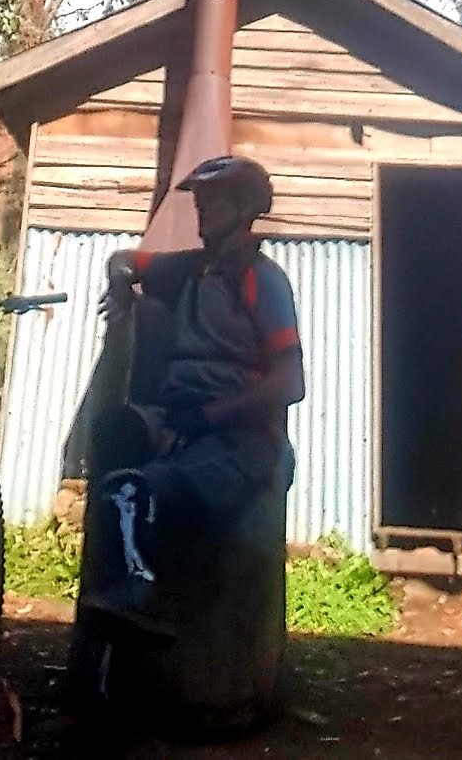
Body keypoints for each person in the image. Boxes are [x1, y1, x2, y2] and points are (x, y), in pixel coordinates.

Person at [77, 155, 305, 640]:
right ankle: (119, 600)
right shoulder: (187, 270)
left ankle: (148, 596)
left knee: (135, 492)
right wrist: (120, 286)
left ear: (244, 207)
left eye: (213, 201)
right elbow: (123, 260)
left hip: (240, 440)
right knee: (113, 435)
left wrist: (215, 413)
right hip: (178, 420)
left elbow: (290, 383)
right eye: (199, 200)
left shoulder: (263, 281)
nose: (201, 210)